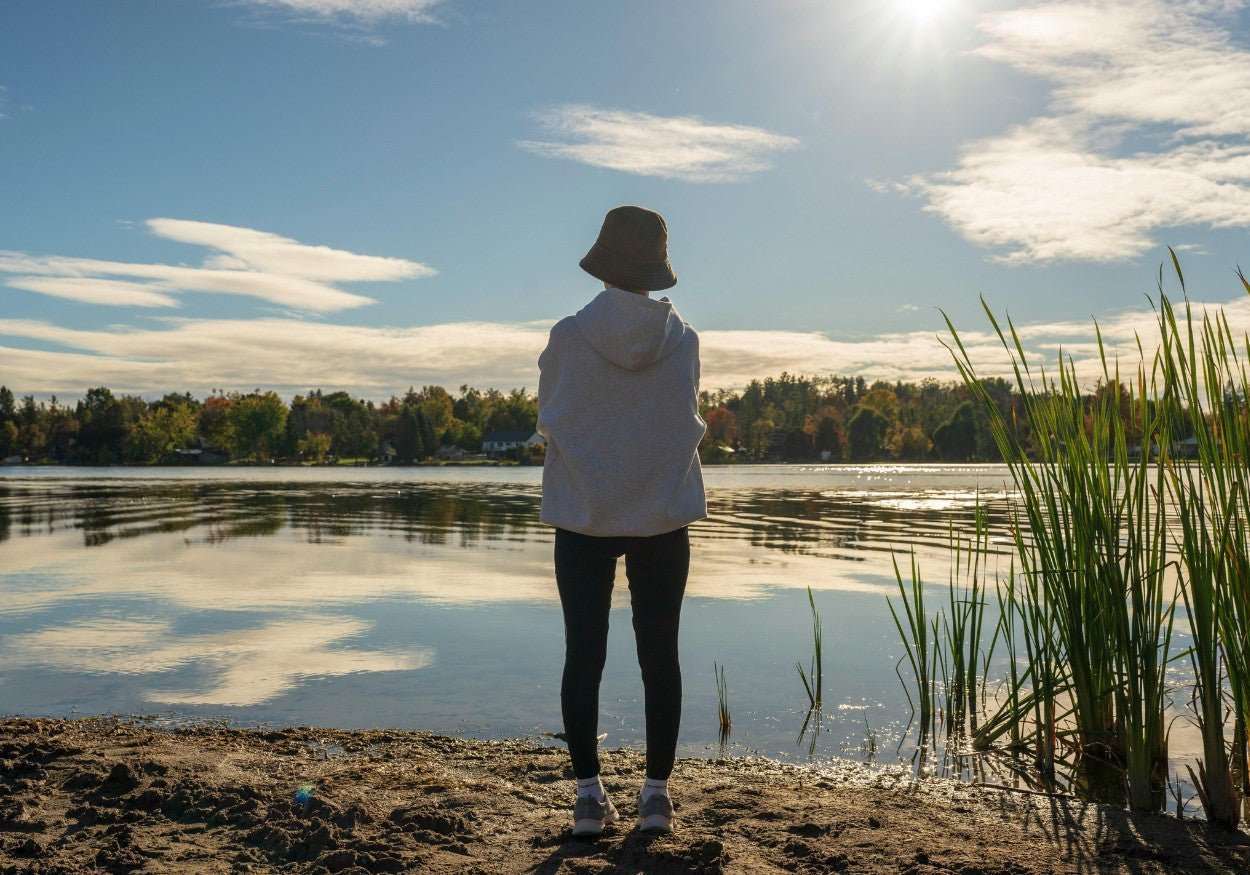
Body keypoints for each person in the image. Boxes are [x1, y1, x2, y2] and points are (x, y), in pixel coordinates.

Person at [536, 205, 707, 836]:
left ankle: (587, 798)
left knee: (583, 654)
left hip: (583, 512)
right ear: (656, 272)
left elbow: (550, 419)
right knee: (661, 655)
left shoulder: (567, 336)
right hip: (663, 513)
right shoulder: (684, 341)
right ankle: (656, 798)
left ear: (603, 266)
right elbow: (678, 419)